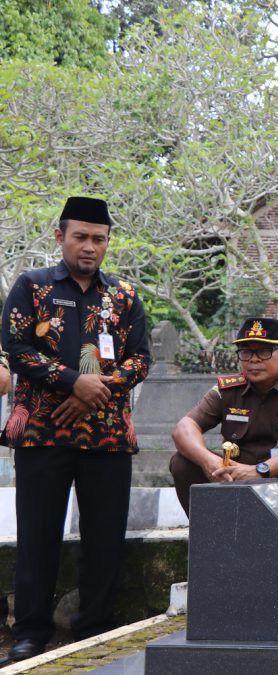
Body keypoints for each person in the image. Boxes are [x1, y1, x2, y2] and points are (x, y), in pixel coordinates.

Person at [0, 197, 150, 663]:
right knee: (38, 535)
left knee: (105, 537)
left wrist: (94, 390)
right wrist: (72, 381)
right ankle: (30, 632)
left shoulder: (124, 295)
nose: (89, 247)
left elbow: (141, 358)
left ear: (107, 242)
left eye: (98, 239)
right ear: (60, 236)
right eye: (80, 237)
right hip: (42, 431)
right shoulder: (33, 286)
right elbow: (16, 347)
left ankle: (96, 628)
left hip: (107, 435)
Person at [169, 318, 278, 515]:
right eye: (246, 352)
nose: (253, 360)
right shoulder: (227, 390)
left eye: (263, 352)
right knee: (182, 463)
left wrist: (260, 470)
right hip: (234, 478)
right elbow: (184, 428)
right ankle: (211, 530)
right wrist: (208, 460)